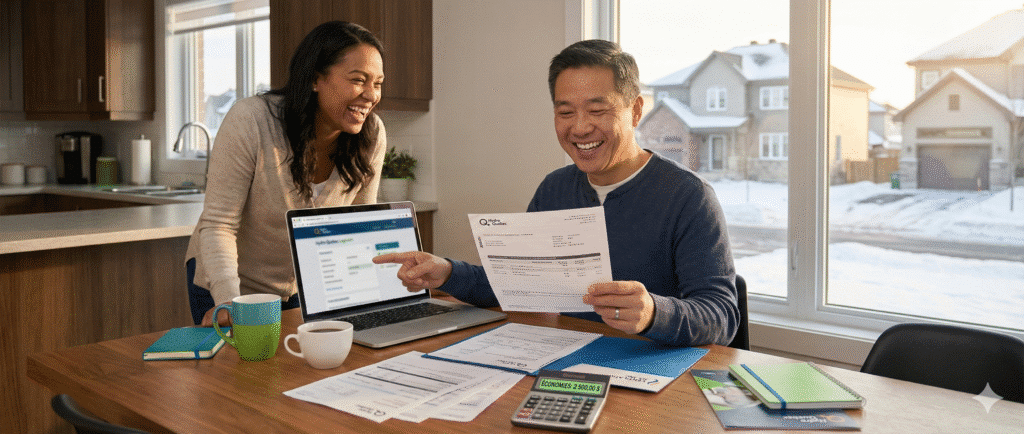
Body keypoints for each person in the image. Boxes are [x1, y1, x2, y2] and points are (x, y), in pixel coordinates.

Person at [373, 40, 738, 347]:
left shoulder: (688, 197)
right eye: (565, 112)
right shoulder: (555, 189)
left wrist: (655, 313)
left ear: (636, 110)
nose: (580, 127)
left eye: (597, 109)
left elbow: (721, 315)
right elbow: (516, 283)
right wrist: (447, 272)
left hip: (656, 373)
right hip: (571, 358)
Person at [185, 21, 387, 326]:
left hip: (305, 288)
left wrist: (368, 297)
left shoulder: (371, 134)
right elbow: (219, 225)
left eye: (379, 83)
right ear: (316, 78)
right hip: (231, 283)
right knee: (236, 372)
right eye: (359, 80)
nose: (371, 95)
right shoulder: (253, 120)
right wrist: (229, 301)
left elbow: (358, 228)